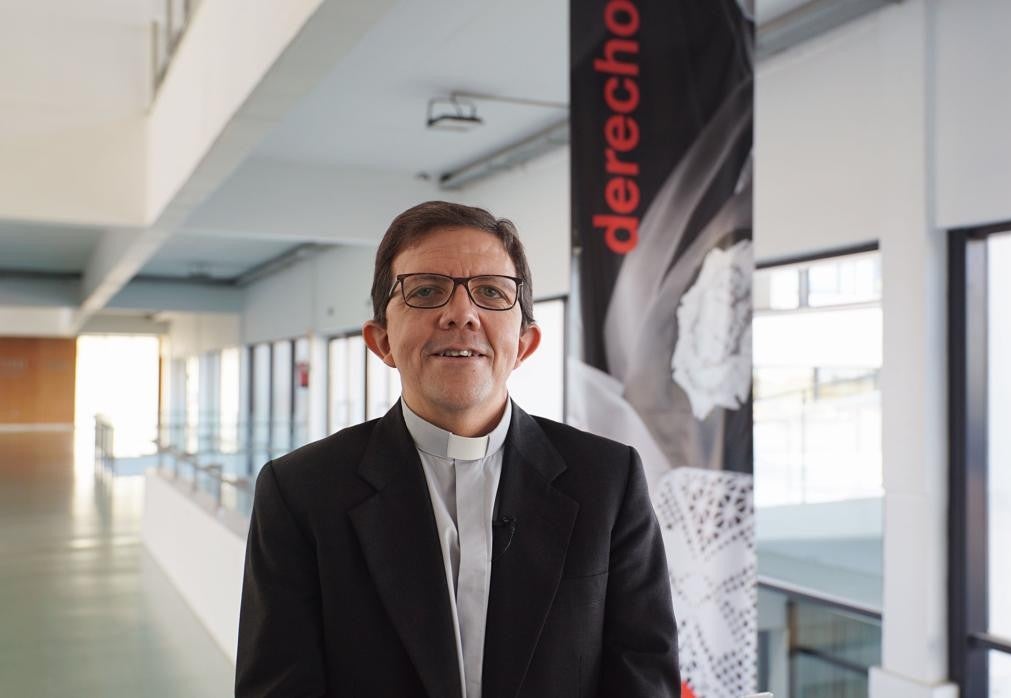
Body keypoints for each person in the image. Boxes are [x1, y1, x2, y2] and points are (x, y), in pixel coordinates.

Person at [235, 201, 679, 698]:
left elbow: (644, 673)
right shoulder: (300, 492)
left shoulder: (607, 479)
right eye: (426, 291)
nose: (461, 314)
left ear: (526, 343)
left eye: (490, 292)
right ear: (380, 340)